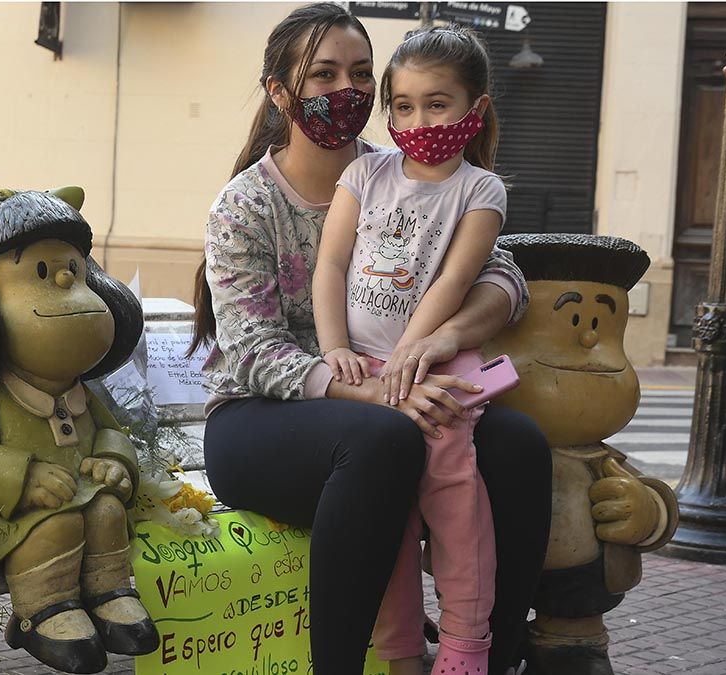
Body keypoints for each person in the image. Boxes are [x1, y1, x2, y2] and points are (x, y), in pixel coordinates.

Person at [189, 5, 551, 674]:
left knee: (518, 444)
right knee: (384, 441)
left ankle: (487, 658)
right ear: (279, 92)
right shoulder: (245, 206)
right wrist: (383, 393)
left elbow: (502, 275)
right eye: (322, 75)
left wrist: (435, 344)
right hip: (259, 417)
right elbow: (252, 353)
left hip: (399, 389)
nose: (345, 91)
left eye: (360, 73)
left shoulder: (405, 171)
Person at [314, 25, 507, 674]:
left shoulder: (480, 191)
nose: (417, 118)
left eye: (436, 103)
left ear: (474, 109)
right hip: (365, 373)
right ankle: (399, 652)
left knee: (455, 505)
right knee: (386, 517)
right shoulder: (364, 173)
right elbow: (331, 265)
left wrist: (413, 350)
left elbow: (457, 279)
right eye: (402, 104)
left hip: (434, 371)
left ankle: (464, 644)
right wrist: (335, 347)